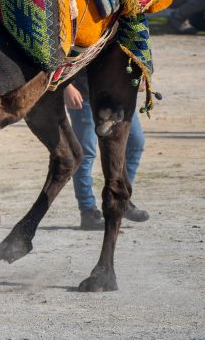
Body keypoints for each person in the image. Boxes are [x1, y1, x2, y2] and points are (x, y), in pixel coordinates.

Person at [63, 76, 149, 230]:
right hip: (84, 94)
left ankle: (121, 200)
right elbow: (60, 53)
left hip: (118, 94)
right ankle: (88, 212)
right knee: (85, 154)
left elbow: (135, 51)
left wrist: (141, 75)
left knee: (135, 143)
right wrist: (66, 86)